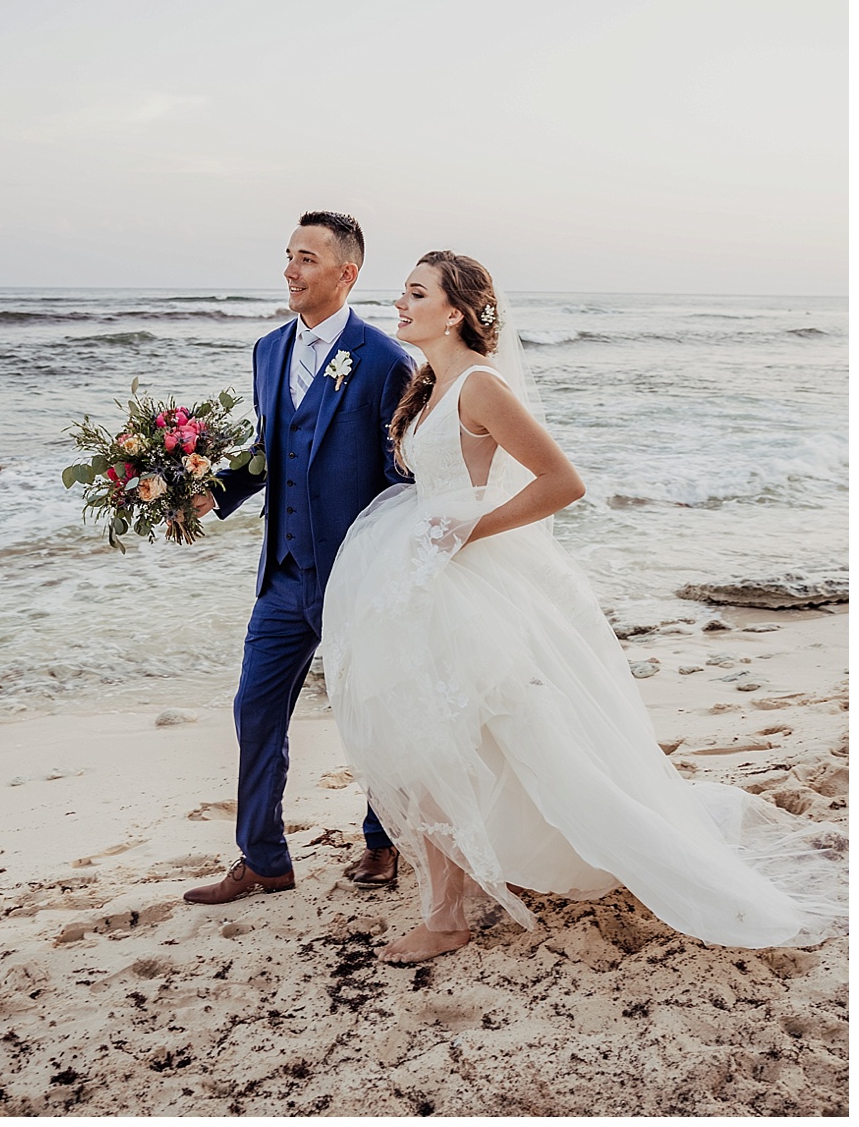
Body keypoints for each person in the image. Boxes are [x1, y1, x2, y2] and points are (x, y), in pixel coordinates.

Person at [322, 251, 846, 961]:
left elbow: (563, 481)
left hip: (462, 577)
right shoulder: (431, 380)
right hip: (416, 571)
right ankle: (453, 898)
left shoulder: (480, 384)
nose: (400, 303)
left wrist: (471, 528)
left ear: (455, 311)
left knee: (463, 743)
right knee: (434, 745)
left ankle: (447, 916)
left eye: (416, 293)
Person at [180, 211, 416, 905]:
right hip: (283, 574)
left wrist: (404, 568)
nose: (290, 269)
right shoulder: (266, 350)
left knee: (376, 711)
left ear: (346, 273)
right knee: (255, 709)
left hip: (358, 576)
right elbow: (267, 452)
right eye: (288, 255)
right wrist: (209, 492)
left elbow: (403, 478)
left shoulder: (385, 361)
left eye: (306, 258)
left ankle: (383, 841)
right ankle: (263, 858)